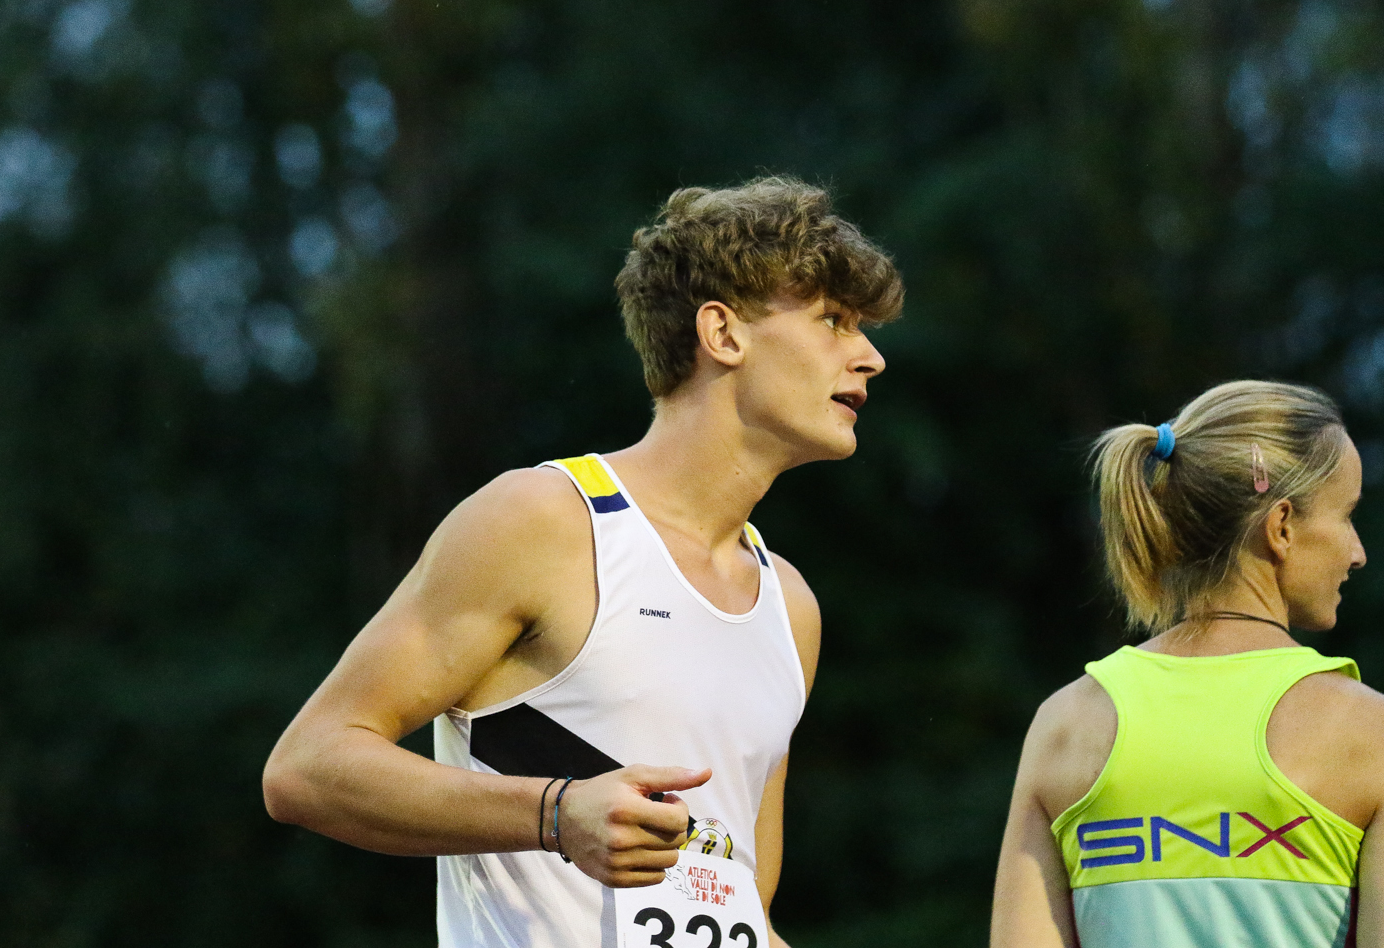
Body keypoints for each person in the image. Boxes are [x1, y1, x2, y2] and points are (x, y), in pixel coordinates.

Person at [262, 177, 904, 947]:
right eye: (834, 321)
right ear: (723, 333)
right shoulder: (543, 521)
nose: (870, 358)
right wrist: (557, 815)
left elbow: (742, 906)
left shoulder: (789, 605)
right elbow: (307, 766)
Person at [990, 379, 1384, 948]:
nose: (1358, 552)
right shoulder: (1377, 735)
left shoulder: (1066, 725)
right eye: (1347, 516)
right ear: (1282, 526)